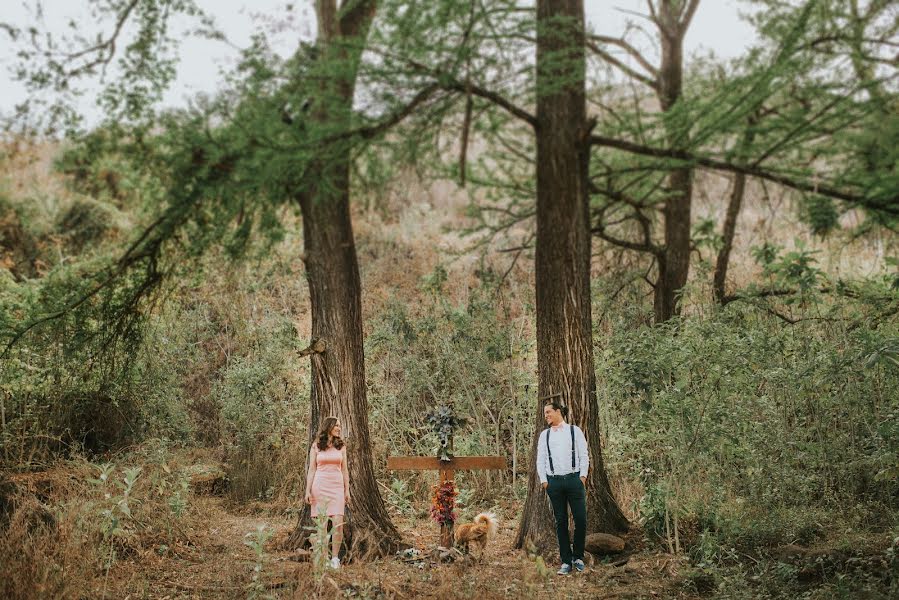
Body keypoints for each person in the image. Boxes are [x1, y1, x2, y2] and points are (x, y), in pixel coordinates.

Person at [537, 401, 589, 575]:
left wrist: (582, 477)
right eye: (545, 413)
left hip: (574, 480)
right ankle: (566, 561)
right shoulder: (544, 435)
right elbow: (541, 459)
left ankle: (578, 557)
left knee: (581, 519)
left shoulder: (575, 431)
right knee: (561, 522)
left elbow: (584, 455)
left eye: (548, 412)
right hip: (554, 483)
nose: (546, 416)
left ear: (558, 411)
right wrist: (545, 482)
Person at [304, 416, 350, 569]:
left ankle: (335, 558)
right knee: (322, 525)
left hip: (337, 487)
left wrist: (347, 490)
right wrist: (307, 490)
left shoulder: (341, 446)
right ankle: (323, 557)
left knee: (338, 523)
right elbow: (311, 470)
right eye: (336, 425)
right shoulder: (316, 446)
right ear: (328, 427)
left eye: (339, 425)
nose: (339, 428)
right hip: (320, 486)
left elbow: (345, 470)